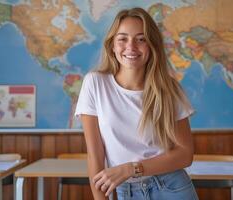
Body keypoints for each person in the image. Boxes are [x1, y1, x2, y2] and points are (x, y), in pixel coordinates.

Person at [75, 7, 198, 200]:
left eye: (141, 39)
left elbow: (185, 154)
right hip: (127, 191)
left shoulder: (168, 89)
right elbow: (95, 155)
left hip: (171, 187)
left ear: (152, 45)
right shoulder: (94, 84)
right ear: (112, 45)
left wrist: (131, 169)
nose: (131, 47)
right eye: (122, 38)